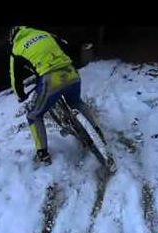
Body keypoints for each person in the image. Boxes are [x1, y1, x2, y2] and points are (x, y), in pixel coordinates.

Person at [9, 26, 103, 165]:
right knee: (76, 102)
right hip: (70, 72)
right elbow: (66, 45)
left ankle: (43, 154)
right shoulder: (44, 33)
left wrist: (21, 96)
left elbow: (15, 78)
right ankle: (97, 132)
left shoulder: (16, 48)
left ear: (12, 38)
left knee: (33, 115)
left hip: (50, 79)